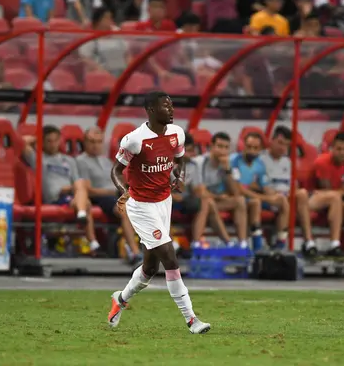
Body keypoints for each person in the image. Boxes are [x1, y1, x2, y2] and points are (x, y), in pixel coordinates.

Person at [108, 91, 211, 334]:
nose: (171, 110)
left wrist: (179, 177)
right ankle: (191, 319)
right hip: (140, 205)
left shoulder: (177, 133)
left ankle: (120, 300)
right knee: (170, 256)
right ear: (151, 110)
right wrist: (123, 191)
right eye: (166, 107)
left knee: (150, 269)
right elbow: (116, 171)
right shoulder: (134, 140)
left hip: (164, 202)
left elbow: (180, 160)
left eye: (172, 105)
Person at [22, 127, 103, 256]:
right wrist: (37, 139)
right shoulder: (37, 158)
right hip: (56, 196)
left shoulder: (69, 160)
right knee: (85, 200)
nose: (53, 144)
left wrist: (75, 190)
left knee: (81, 187)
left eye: (55, 140)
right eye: (49, 141)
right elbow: (22, 142)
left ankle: (83, 217)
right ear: (42, 142)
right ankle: (91, 238)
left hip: (71, 194)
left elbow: (76, 181)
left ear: (60, 141)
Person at [77, 127, 142, 265]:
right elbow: (87, 189)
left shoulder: (106, 161)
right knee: (125, 210)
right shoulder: (81, 161)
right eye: (92, 141)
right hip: (100, 197)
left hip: (116, 194)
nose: (95, 145)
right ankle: (135, 253)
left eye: (99, 142)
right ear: (85, 142)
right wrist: (115, 192)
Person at [260, 126, 318, 257]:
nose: (282, 148)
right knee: (286, 199)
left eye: (286, 145)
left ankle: (308, 241)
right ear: (272, 140)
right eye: (280, 143)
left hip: (287, 198)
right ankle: (280, 242)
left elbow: (294, 186)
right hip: (269, 198)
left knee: (302, 194)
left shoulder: (287, 161)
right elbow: (263, 187)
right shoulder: (261, 160)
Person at [231, 132, 288, 250]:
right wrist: (267, 198)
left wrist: (275, 195)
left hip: (254, 196)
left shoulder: (259, 164)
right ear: (243, 146)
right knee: (256, 202)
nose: (251, 150)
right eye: (249, 147)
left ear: (260, 149)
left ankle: (280, 244)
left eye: (255, 148)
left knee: (282, 200)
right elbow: (239, 189)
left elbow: (264, 186)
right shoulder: (235, 161)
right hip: (238, 199)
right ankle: (257, 248)